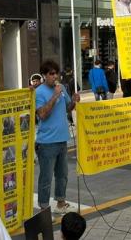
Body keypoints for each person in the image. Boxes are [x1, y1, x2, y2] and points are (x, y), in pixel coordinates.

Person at [35, 60, 80, 215]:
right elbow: (42, 114)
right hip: (46, 142)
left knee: (62, 175)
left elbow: (68, 108)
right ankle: (44, 208)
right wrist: (54, 97)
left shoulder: (61, 89)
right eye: (51, 74)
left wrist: (74, 101)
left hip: (62, 139)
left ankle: (61, 203)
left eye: (56, 73)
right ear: (44, 76)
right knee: (46, 178)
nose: (55, 76)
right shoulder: (39, 92)